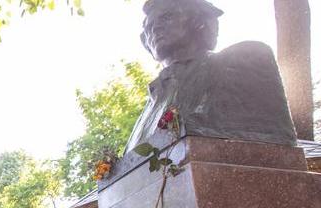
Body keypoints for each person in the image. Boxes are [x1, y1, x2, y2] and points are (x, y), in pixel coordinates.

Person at [124, 0, 296, 153]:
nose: (155, 28)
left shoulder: (246, 59)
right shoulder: (152, 102)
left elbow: (272, 138)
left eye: (166, 17)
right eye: (148, 26)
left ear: (198, 21)